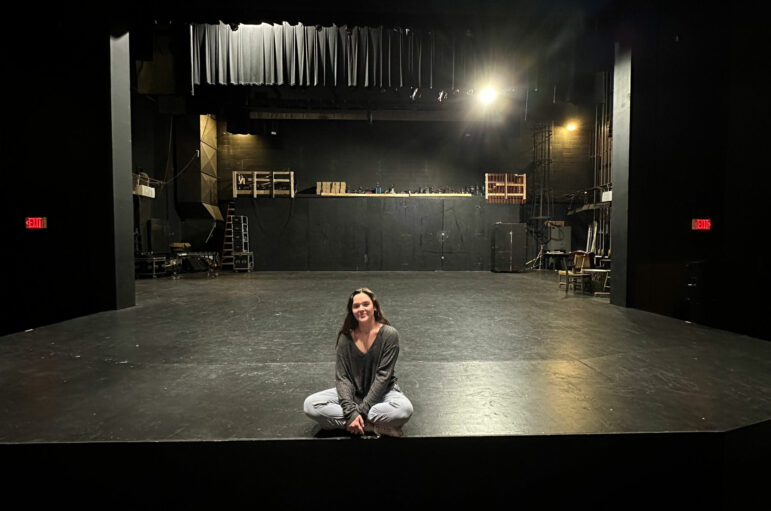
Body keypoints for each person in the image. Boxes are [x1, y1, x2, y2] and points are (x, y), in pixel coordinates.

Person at [304, 287, 413, 437]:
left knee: (403, 410)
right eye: (356, 306)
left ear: (374, 307)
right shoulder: (345, 338)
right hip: (353, 394)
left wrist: (359, 412)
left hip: (383, 393)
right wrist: (351, 412)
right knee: (310, 405)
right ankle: (371, 427)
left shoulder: (389, 334)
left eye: (365, 304)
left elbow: (383, 377)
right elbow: (343, 378)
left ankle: (351, 422)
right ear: (352, 311)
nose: (361, 309)